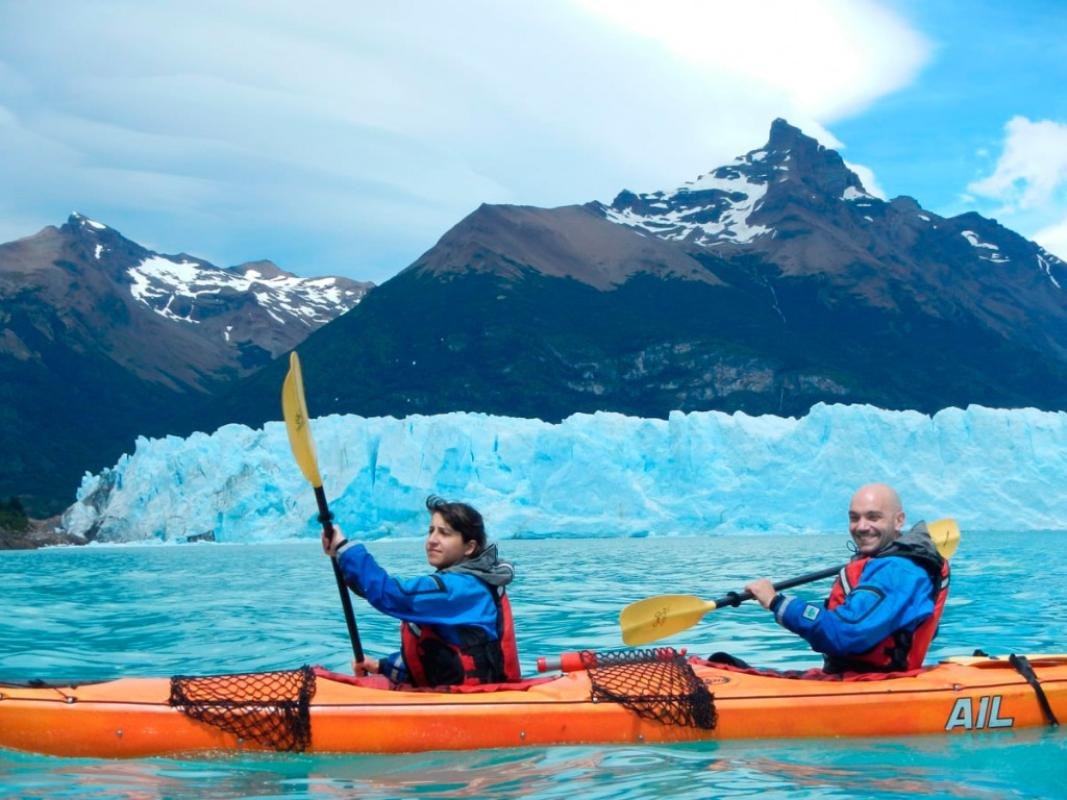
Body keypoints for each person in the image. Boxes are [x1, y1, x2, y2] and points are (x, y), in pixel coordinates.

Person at [743, 483, 950, 674]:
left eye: (873, 517)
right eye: (854, 518)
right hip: (856, 677)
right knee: (723, 660)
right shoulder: (886, 563)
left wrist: (777, 602)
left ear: (899, 520)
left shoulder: (899, 570)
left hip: (872, 683)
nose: (861, 526)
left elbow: (846, 632)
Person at [322, 495, 521, 687]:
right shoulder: (468, 583)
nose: (432, 540)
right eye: (431, 531)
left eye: (444, 533)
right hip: (453, 697)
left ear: (469, 547)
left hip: (467, 704)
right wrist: (380, 666)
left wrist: (344, 548)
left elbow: (393, 595)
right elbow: (436, 655)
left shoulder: (460, 588)